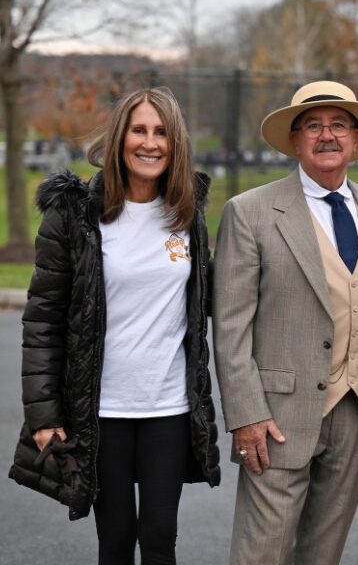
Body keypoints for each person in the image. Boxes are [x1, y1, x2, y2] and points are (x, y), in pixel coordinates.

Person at [8, 86, 221, 564]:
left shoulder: (188, 214)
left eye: (161, 132)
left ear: (176, 143)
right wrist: (44, 417)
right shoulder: (74, 214)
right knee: (117, 539)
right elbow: (43, 319)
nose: (150, 143)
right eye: (139, 130)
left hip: (168, 405)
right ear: (119, 138)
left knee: (161, 536)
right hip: (102, 411)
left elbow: (209, 299)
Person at [213, 80, 358, 565]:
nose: (326, 135)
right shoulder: (250, 213)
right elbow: (230, 327)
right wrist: (246, 414)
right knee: (262, 555)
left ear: (356, 139)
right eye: (312, 125)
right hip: (274, 419)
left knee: (323, 554)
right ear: (294, 140)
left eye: (339, 125)